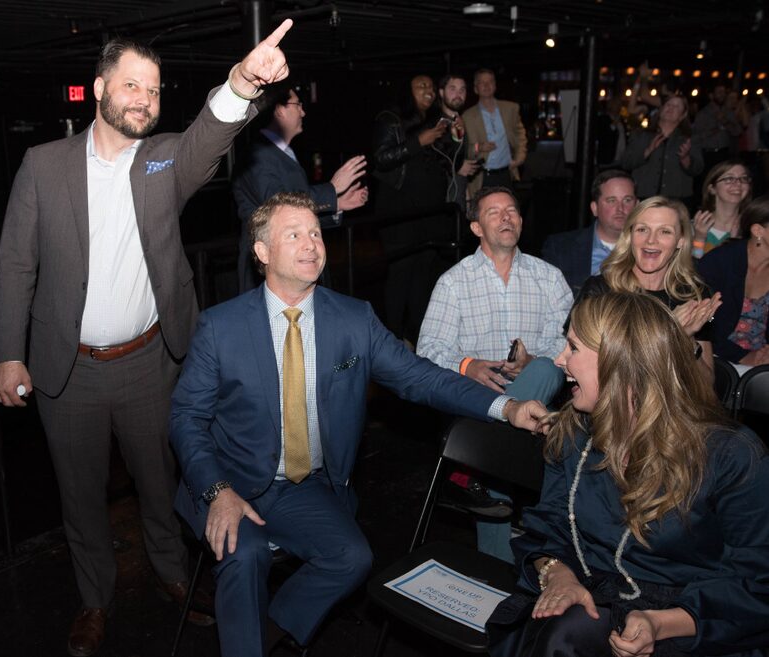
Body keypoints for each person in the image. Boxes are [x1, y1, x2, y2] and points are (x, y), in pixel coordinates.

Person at [0, 22, 293, 657]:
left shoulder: (163, 161)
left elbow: (210, 134)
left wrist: (242, 80)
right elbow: (16, 263)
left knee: (161, 484)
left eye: (153, 91)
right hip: (65, 372)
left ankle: (174, 576)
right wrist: (8, 353)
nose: (143, 99)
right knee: (81, 495)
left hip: (151, 364)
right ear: (99, 88)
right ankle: (95, 600)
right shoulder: (43, 165)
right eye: (130, 84)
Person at [168, 192, 546, 657]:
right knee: (242, 555)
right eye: (294, 235)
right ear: (262, 252)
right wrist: (217, 491)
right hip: (228, 478)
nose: (311, 244)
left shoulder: (353, 319)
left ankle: (266, 631)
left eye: (315, 233)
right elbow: (186, 418)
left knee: (353, 558)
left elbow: (419, 377)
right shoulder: (220, 327)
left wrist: (504, 408)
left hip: (301, 485)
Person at [487, 291, 769, 657]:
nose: (559, 360)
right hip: (590, 598)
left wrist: (662, 622)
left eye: (573, 348)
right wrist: (558, 576)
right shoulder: (574, 434)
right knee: (563, 631)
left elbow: (755, 582)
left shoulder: (731, 456)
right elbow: (549, 527)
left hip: (692, 619)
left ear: (622, 361)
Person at [417, 186, 571, 562]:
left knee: (546, 368)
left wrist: (532, 358)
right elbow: (428, 352)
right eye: (494, 212)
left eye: (512, 211)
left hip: (540, 399)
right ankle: (500, 575)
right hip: (477, 401)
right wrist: (469, 365)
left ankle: (481, 479)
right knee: (514, 413)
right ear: (476, 227)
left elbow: (570, 345)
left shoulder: (549, 278)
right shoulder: (454, 282)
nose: (506, 217)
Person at [232, 83, 368, 291]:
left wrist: (337, 204)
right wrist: (332, 189)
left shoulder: (284, 152)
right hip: (271, 269)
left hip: (297, 266)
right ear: (279, 110)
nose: (303, 111)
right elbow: (279, 205)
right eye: (298, 105)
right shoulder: (257, 156)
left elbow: (297, 214)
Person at [576, 196, 720, 381]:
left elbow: (706, 386)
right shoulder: (600, 291)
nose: (651, 240)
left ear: (681, 241)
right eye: (642, 229)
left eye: (664, 232)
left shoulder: (693, 296)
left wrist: (686, 341)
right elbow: (592, 373)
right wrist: (668, 333)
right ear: (630, 236)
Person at [371, 74, 452, 343]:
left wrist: (456, 137)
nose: (428, 90)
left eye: (431, 86)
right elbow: (382, 159)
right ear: (407, 91)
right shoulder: (390, 118)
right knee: (401, 275)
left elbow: (446, 162)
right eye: (421, 86)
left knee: (424, 275)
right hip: (400, 212)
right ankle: (391, 339)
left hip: (430, 212)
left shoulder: (434, 122)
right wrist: (419, 140)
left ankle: (417, 336)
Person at [697, 195, 769, 367]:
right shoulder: (719, 263)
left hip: (761, 359)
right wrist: (743, 356)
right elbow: (704, 324)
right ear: (758, 231)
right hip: (715, 357)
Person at [542, 170, 638, 295]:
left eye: (627, 200)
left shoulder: (650, 250)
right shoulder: (561, 248)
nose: (620, 209)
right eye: (611, 200)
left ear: (637, 206)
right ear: (595, 208)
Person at [621, 95, 703, 205]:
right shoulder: (641, 135)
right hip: (645, 198)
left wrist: (685, 159)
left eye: (676, 106)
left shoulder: (690, 138)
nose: (671, 108)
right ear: (661, 109)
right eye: (668, 104)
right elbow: (625, 162)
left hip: (676, 200)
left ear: (683, 115)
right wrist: (647, 151)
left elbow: (698, 169)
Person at [462, 68, 527, 195]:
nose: (486, 85)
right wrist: (478, 147)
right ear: (476, 88)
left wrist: (520, 158)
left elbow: (520, 135)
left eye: (490, 81)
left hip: (506, 173)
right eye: (482, 82)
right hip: (482, 177)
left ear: (495, 85)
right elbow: (463, 150)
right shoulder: (467, 116)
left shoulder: (511, 109)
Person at [435, 73, 481, 211]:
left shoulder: (460, 120)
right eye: (453, 89)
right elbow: (430, 160)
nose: (458, 94)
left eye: (462, 90)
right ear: (441, 93)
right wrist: (457, 166)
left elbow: (462, 155)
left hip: (458, 193)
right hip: (440, 197)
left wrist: (466, 196)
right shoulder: (435, 123)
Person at [691, 159, 752, 258]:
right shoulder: (695, 227)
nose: (738, 183)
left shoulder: (752, 229)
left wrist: (734, 243)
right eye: (729, 179)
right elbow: (694, 267)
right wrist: (699, 239)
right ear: (712, 189)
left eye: (744, 178)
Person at [693, 84, 743, 169]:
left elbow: (738, 131)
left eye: (723, 92)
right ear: (711, 95)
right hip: (708, 154)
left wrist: (724, 121)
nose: (722, 95)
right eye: (719, 92)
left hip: (725, 154)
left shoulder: (728, 112)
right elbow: (695, 137)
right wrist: (712, 131)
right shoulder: (703, 113)